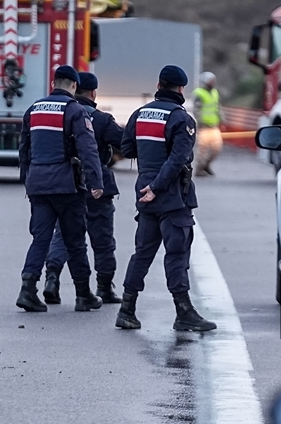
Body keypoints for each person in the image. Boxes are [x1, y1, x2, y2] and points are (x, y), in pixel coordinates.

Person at [116, 64, 217, 332]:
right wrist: (158, 186)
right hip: (171, 197)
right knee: (177, 254)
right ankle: (184, 312)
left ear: (158, 86)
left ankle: (126, 309)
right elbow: (178, 159)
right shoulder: (181, 119)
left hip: (144, 194)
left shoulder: (140, 114)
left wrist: (149, 175)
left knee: (142, 253)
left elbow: (127, 148)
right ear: (181, 89)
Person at [16, 65, 105, 313]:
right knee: (75, 241)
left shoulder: (34, 109)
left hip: (38, 185)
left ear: (53, 83)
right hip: (66, 186)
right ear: (74, 86)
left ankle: (27, 290)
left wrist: (27, 178)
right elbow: (88, 149)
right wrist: (96, 182)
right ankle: (83, 294)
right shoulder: (75, 110)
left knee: (40, 239)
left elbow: (24, 149)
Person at [43, 71, 125, 305]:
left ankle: (52, 278)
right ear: (93, 93)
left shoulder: (61, 115)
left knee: (63, 235)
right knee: (103, 239)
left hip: (66, 182)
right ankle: (104, 286)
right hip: (97, 185)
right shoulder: (101, 119)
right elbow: (125, 143)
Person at [192, 71, 222, 176]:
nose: (213, 82)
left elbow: (217, 107)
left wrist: (222, 119)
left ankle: (206, 165)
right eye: (211, 81)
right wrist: (200, 122)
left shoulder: (215, 92)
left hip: (214, 126)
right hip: (203, 127)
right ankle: (199, 169)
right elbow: (196, 110)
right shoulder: (199, 93)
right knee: (202, 150)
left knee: (216, 148)